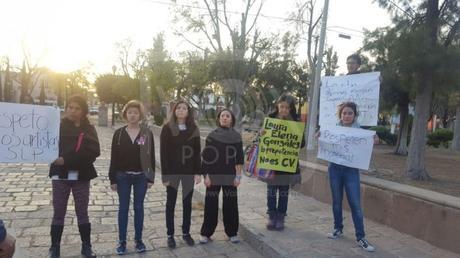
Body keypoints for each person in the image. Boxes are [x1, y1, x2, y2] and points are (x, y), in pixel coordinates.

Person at [320, 101, 377, 252]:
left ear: (355, 115)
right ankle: (337, 229)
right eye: (344, 113)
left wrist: (373, 140)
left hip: (351, 171)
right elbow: (323, 142)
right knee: (336, 201)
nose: (347, 116)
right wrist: (319, 136)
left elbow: (372, 142)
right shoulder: (332, 130)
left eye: (350, 113)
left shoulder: (361, 132)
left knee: (356, 205)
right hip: (335, 169)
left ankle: (361, 237)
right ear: (340, 115)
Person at [49, 95, 100, 258]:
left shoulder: (89, 129)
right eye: (70, 107)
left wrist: (66, 160)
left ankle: (86, 245)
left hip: (81, 176)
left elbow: (93, 152)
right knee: (58, 212)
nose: (73, 110)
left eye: (77, 108)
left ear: (83, 111)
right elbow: (47, 145)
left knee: (82, 211)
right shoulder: (57, 127)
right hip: (60, 176)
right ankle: (54, 246)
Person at [109, 100, 155, 255]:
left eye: (135, 112)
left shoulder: (146, 133)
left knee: (139, 208)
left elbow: (150, 156)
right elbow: (113, 158)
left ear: (140, 115)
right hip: (122, 177)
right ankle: (122, 241)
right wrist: (112, 179)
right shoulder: (119, 134)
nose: (132, 115)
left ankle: (138, 239)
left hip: (141, 177)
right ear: (125, 115)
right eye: (130, 112)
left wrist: (150, 177)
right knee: (123, 208)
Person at [160, 101, 201, 249]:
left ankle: (186, 232)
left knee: (187, 203)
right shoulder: (167, 128)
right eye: (179, 108)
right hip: (172, 172)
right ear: (174, 111)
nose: (181, 110)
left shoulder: (193, 128)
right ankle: (170, 235)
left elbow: (197, 152)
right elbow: (163, 153)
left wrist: (198, 172)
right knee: (170, 203)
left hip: (189, 172)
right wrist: (165, 175)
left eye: (184, 108)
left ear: (188, 112)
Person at [199, 109, 243, 244]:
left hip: (230, 176)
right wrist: (205, 176)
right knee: (211, 205)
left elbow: (239, 159)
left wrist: (238, 177)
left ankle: (232, 233)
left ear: (231, 119)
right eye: (222, 116)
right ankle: (206, 233)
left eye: (227, 116)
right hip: (213, 176)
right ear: (219, 119)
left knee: (231, 205)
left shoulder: (236, 136)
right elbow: (206, 158)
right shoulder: (212, 135)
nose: (225, 118)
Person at [262, 94, 305, 231]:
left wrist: (297, 135)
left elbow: (302, 143)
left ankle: (281, 217)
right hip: (272, 163)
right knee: (271, 191)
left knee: (284, 192)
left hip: (286, 163)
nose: (284, 110)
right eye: (282, 107)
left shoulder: (295, 123)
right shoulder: (270, 120)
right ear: (277, 106)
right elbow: (262, 141)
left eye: (287, 108)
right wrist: (261, 134)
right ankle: (271, 216)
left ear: (291, 109)